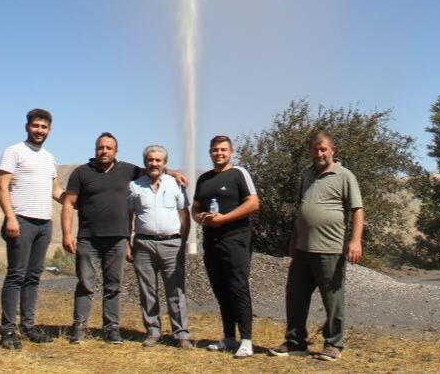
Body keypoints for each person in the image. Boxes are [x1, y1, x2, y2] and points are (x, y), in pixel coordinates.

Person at [61, 132, 186, 344]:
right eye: (101, 147)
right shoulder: (81, 173)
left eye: (109, 148)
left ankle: (112, 329)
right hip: (88, 238)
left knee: (113, 286)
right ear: (95, 149)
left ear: (116, 151)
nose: (104, 151)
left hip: (118, 239)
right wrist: (66, 234)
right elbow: (68, 203)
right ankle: (79, 326)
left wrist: (172, 172)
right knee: (85, 284)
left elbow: (154, 170)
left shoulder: (128, 170)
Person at [269, 132, 364, 362]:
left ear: (333, 150)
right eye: (315, 149)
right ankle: (295, 342)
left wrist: (355, 240)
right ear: (310, 151)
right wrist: (293, 238)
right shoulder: (307, 175)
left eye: (323, 149)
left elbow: (357, 209)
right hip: (303, 250)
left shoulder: (344, 176)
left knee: (333, 300)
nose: (319, 153)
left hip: (330, 249)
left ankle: (333, 344)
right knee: (295, 297)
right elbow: (302, 209)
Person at [0, 108, 66, 350]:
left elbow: (56, 192)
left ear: (49, 130)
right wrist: (10, 217)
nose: (39, 131)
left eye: (44, 127)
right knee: (16, 275)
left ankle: (29, 326)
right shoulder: (14, 151)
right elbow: (1, 187)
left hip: (44, 223)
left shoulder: (49, 157)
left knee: (33, 277)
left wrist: (78, 199)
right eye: (35, 126)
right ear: (27, 127)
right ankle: (7, 331)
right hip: (21, 220)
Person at [192, 135, 260, 358]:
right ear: (210, 152)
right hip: (211, 240)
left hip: (235, 238)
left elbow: (253, 203)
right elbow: (195, 207)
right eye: (214, 150)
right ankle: (229, 338)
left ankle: (247, 341)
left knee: (238, 287)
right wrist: (200, 218)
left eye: (223, 150)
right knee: (220, 289)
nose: (218, 153)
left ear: (231, 152)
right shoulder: (204, 179)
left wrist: (224, 219)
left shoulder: (239, 173)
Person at [126, 145, 192, 349]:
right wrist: (129, 243)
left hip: (172, 242)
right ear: (145, 162)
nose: (154, 163)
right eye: (150, 160)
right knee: (147, 290)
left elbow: (184, 215)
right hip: (143, 244)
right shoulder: (134, 186)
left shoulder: (176, 184)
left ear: (165, 163)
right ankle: (152, 331)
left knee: (176, 289)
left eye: (158, 160)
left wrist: (183, 241)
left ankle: (181, 334)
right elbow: (129, 216)